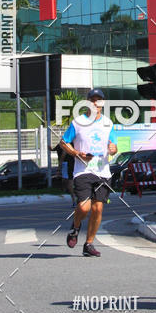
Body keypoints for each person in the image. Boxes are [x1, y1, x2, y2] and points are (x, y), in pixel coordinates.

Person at [60, 89, 117, 257]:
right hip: (83, 170)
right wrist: (76, 153)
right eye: (92, 100)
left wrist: (113, 149)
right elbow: (64, 142)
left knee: (98, 208)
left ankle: (89, 243)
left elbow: (113, 145)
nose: (96, 103)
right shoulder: (78, 122)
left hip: (103, 171)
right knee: (84, 207)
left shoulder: (108, 123)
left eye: (99, 100)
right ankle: (75, 227)